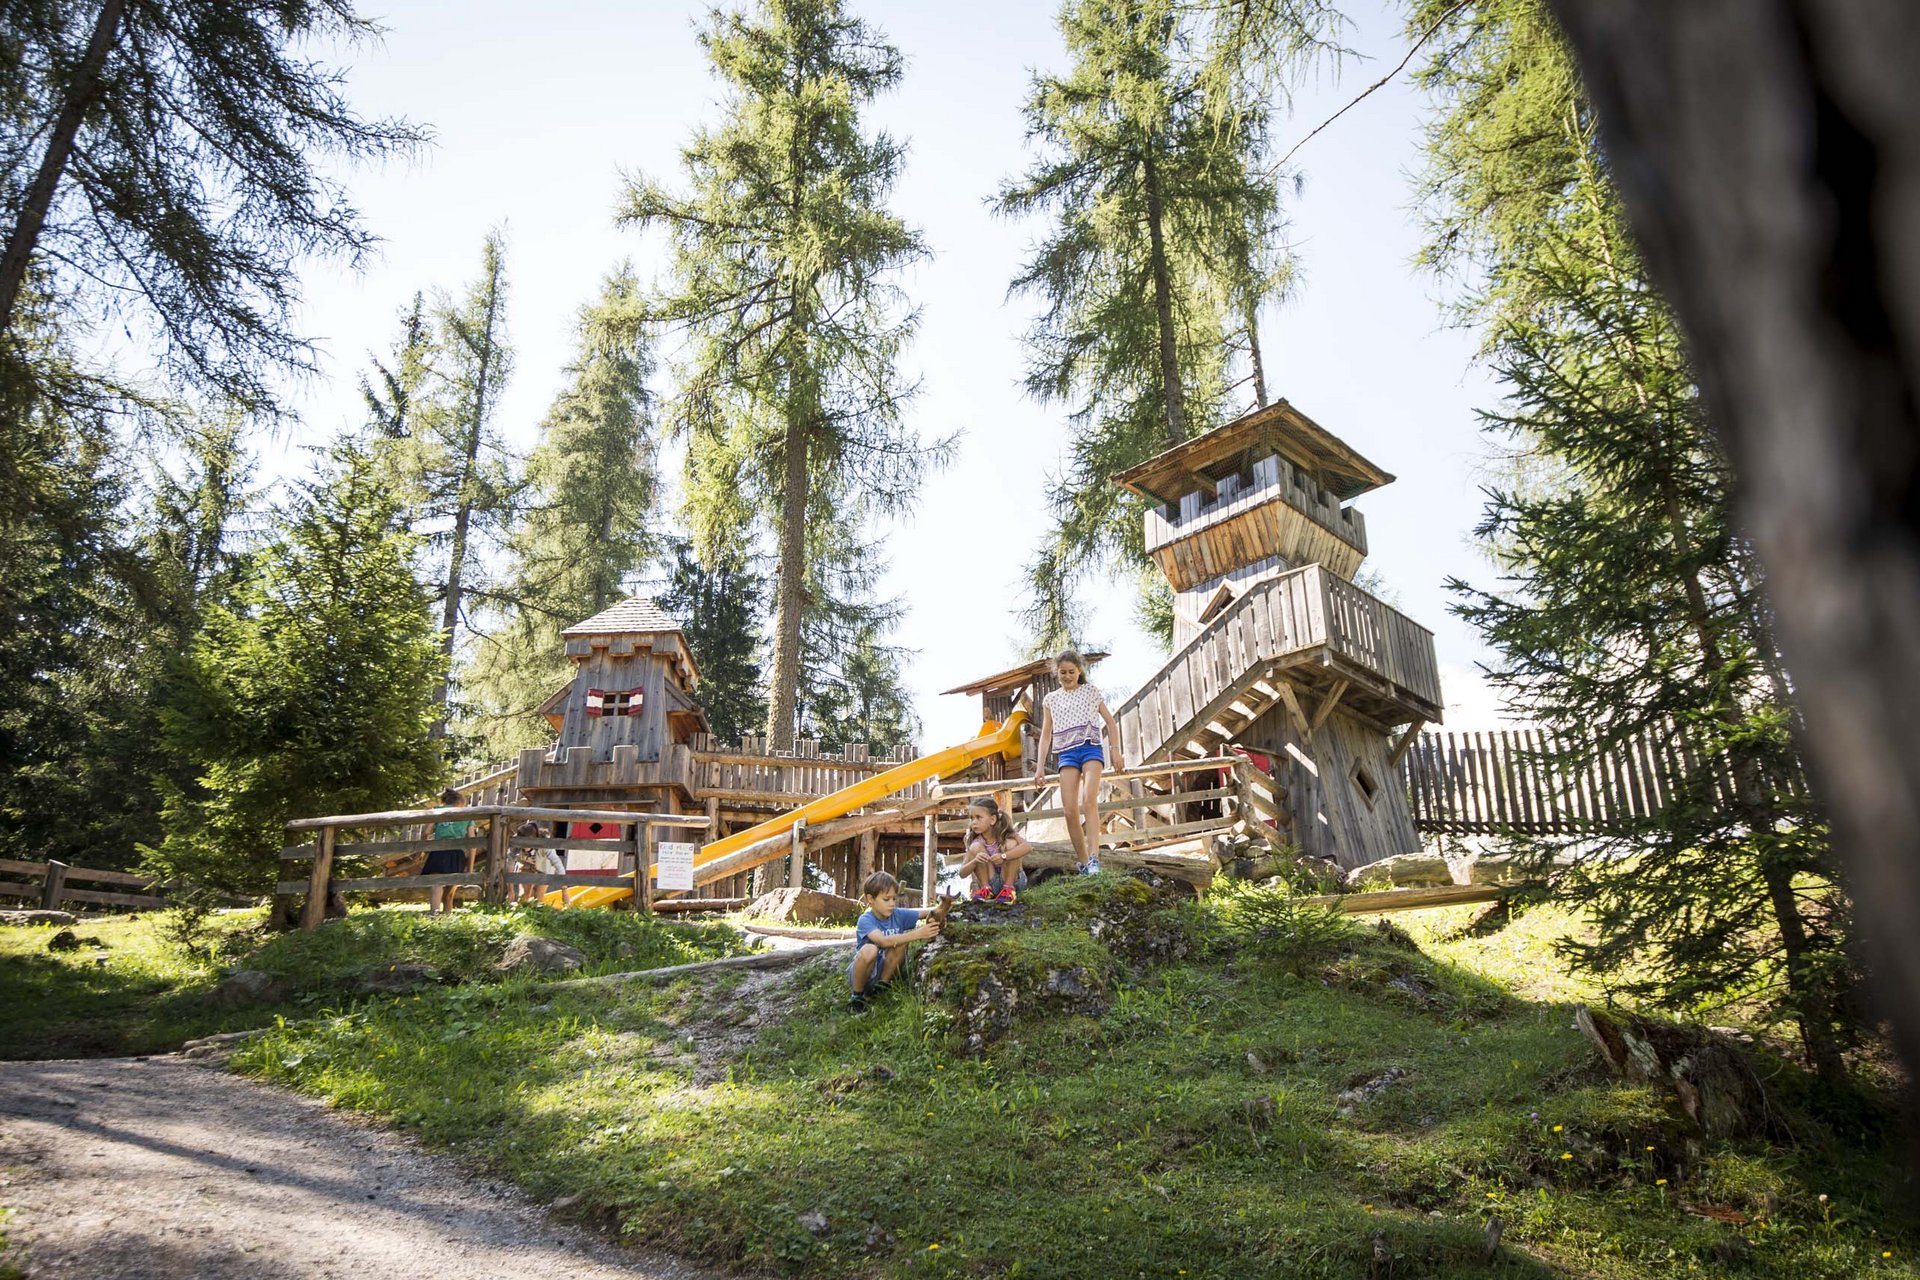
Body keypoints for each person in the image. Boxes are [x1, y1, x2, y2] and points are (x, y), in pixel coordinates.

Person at [1031, 648, 1124, 874]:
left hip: (1090, 749)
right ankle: (1083, 862)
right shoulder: (1051, 700)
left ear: (1079, 671)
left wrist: (1115, 751)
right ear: (1057, 673)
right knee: (1070, 810)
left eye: (1071, 671)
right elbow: (1045, 735)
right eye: (1063, 672)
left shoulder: (1090, 692)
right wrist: (1040, 766)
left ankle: (1094, 858)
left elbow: (1110, 723)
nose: (1067, 676)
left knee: (1088, 800)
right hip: (1067, 754)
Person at [848, 870, 942, 1010]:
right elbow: (883, 941)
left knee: (900, 943)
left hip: (886, 969)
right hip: (864, 973)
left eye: (894, 899)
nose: (892, 904)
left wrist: (944, 906)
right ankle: (857, 996)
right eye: (886, 899)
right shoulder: (865, 920)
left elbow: (927, 912)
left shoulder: (898, 914)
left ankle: (881, 987)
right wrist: (919, 933)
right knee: (870, 949)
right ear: (870, 899)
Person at [952, 796, 1029, 904]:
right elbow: (962, 873)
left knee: (1011, 844)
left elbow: (1027, 847)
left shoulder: (1006, 834)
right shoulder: (976, 842)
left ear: (992, 819)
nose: (974, 822)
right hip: (992, 884)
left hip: (1014, 881)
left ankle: (1009, 890)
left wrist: (1004, 856)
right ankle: (986, 890)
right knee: (975, 848)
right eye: (972, 818)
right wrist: (975, 861)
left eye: (978, 817)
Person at [424, 788, 474, 915]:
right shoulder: (467, 815)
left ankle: (433, 914)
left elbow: (426, 833)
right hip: (457, 853)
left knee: (437, 884)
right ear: (460, 802)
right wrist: (470, 867)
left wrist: (421, 852)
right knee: (450, 891)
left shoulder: (436, 811)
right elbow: (473, 841)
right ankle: (447, 916)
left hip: (438, 851)